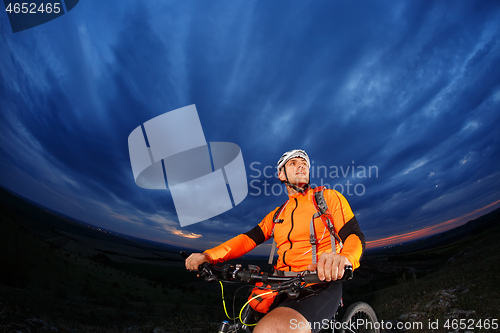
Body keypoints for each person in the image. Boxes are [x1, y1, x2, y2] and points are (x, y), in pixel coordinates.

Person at [185, 149, 365, 333]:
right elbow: (247, 239)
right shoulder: (277, 215)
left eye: (304, 164)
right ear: (281, 174)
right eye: (293, 163)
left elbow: (353, 235)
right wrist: (208, 256)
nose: (301, 165)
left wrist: (345, 258)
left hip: (318, 283)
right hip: (278, 283)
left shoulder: (328, 199)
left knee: (274, 328)